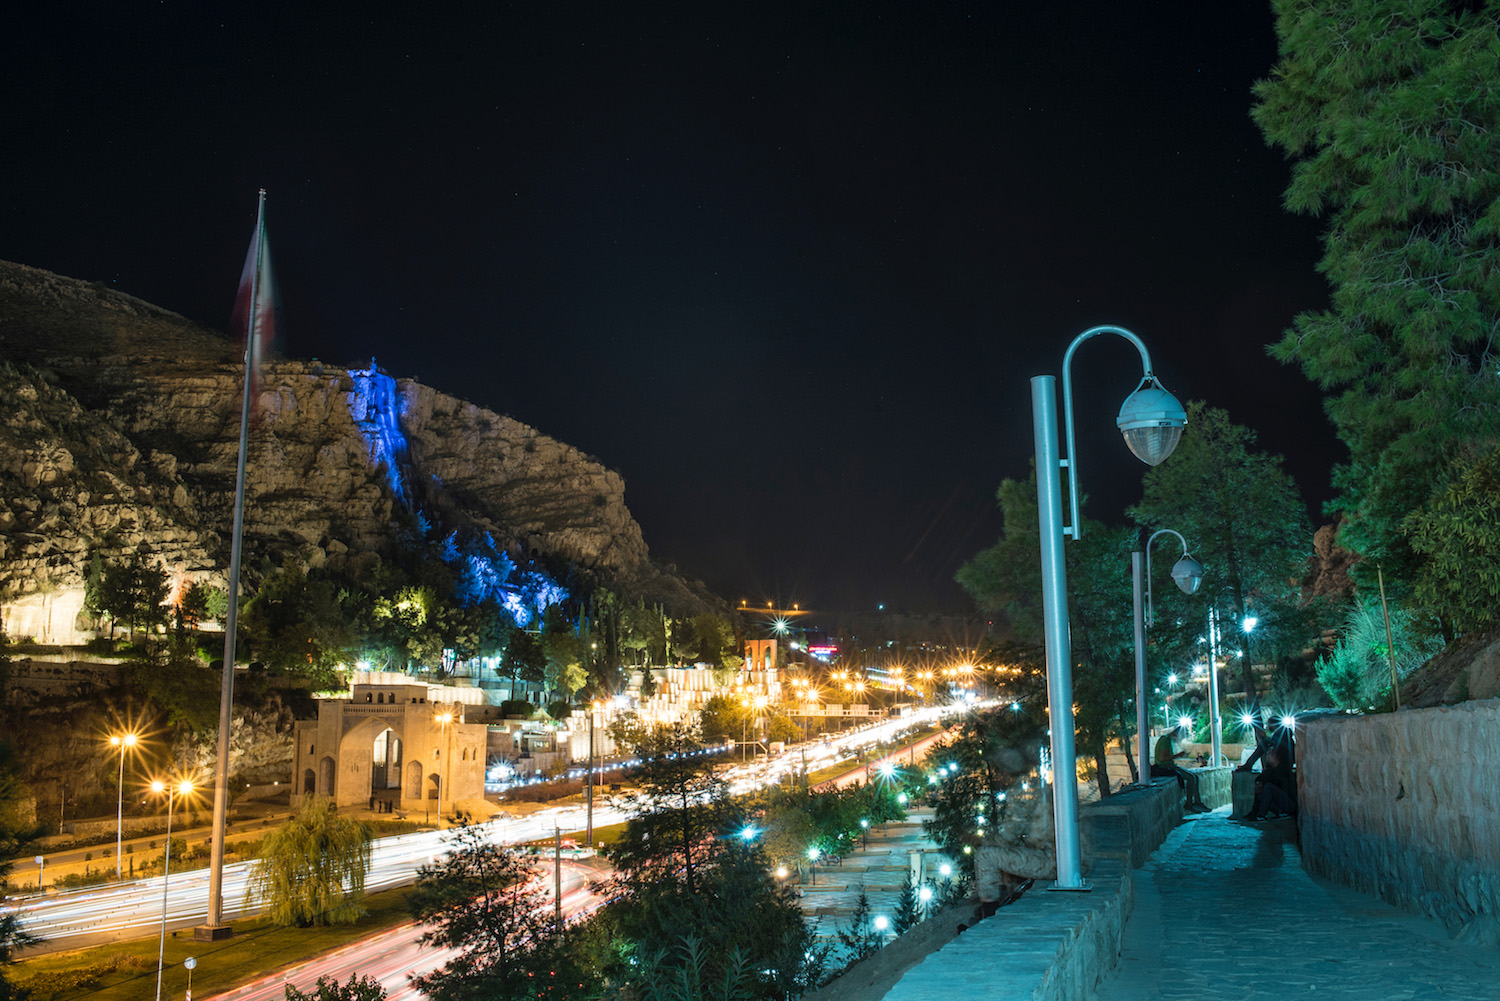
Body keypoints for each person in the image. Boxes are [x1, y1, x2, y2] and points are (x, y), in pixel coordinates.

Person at [1150, 725, 1207, 812]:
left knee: (1195, 777)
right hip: (1166, 766)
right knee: (1191, 778)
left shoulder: (1167, 739)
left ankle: (1197, 802)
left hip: (1169, 765)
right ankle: (1189, 803)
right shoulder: (1165, 740)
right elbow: (1162, 759)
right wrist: (1179, 755)